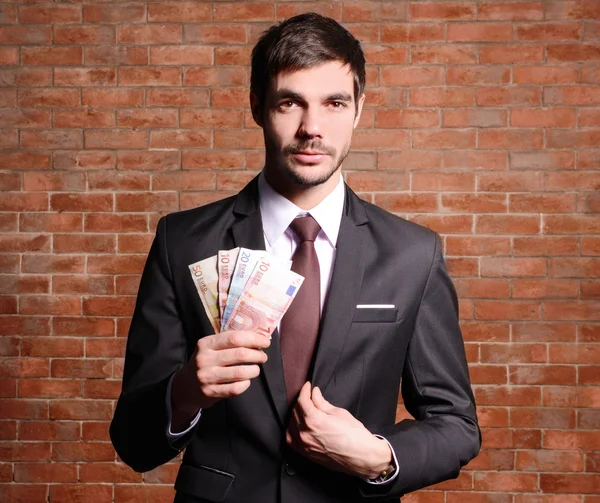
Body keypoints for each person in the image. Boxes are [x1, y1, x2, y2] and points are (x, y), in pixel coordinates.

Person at [110, 12, 481, 503]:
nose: (312, 128)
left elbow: (456, 424)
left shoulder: (413, 254)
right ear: (258, 107)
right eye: (291, 102)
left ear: (359, 110)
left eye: (334, 103)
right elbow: (133, 442)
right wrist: (184, 391)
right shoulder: (183, 242)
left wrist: (377, 455)